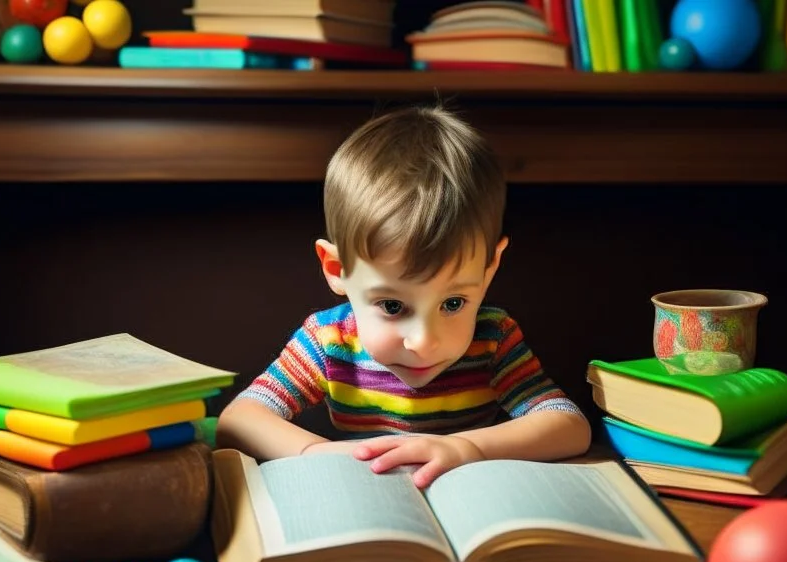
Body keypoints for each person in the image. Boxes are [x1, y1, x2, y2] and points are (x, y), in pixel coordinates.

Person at [216, 103, 591, 487]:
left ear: (489, 267)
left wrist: (466, 449)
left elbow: (569, 425)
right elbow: (238, 421)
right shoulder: (329, 343)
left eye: (452, 303)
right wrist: (319, 454)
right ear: (337, 270)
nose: (424, 341)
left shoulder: (493, 339)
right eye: (393, 306)